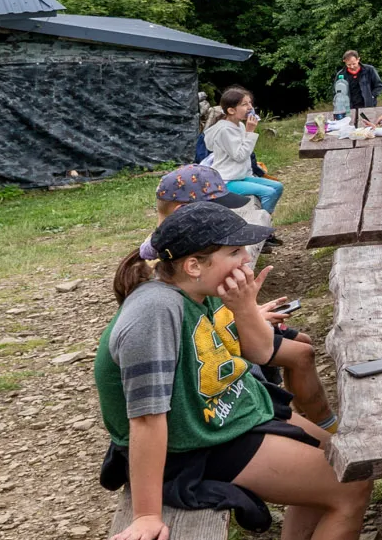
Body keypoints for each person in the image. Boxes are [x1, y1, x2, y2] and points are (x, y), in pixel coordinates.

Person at [97, 202, 382, 540]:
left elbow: (259, 350)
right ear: (194, 264)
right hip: (194, 448)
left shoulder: (201, 291)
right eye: (235, 251)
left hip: (229, 418)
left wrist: (243, 305)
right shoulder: (154, 314)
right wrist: (147, 514)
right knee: (350, 486)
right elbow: (147, 421)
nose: (246, 260)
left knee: (342, 459)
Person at [115, 165, 337, 433]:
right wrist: (247, 315)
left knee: (301, 344)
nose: (225, 215)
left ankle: (308, 420)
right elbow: (195, 335)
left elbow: (215, 311)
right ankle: (320, 425)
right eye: (215, 208)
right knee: (300, 353)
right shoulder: (173, 271)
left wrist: (250, 311)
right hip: (216, 362)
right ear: (182, 212)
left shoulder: (193, 254)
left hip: (227, 328)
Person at [203, 87, 283, 214]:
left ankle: (262, 219)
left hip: (241, 176)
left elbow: (245, 153)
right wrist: (250, 132)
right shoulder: (225, 130)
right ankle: (262, 222)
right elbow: (240, 156)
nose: (250, 107)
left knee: (278, 187)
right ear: (231, 110)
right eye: (244, 104)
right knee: (269, 192)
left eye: (250, 103)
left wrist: (247, 131)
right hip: (227, 180)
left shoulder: (239, 125)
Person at [333, 51, 382, 116]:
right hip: (349, 108)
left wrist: (372, 96)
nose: (352, 66)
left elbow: (379, 86)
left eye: (354, 64)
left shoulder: (369, 70)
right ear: (344, 61)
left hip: (367, 106)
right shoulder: (341, 75)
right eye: (349, 65)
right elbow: (335, 92)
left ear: (358, 59)